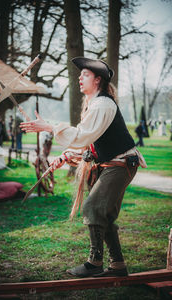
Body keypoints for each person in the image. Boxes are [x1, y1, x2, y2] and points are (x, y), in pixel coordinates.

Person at [20, 57, 147, 278]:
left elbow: (81, 136)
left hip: (121, 165)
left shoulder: (103, 104)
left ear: (97, 80)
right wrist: (68, 155)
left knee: (93, 208)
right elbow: (90, 145)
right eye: (80, 74)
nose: (79, 77)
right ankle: (118, 266)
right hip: (112, 164)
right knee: (103, 216)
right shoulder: (94, 104)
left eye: (85, 75)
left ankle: (95, 263)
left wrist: (50, 126)